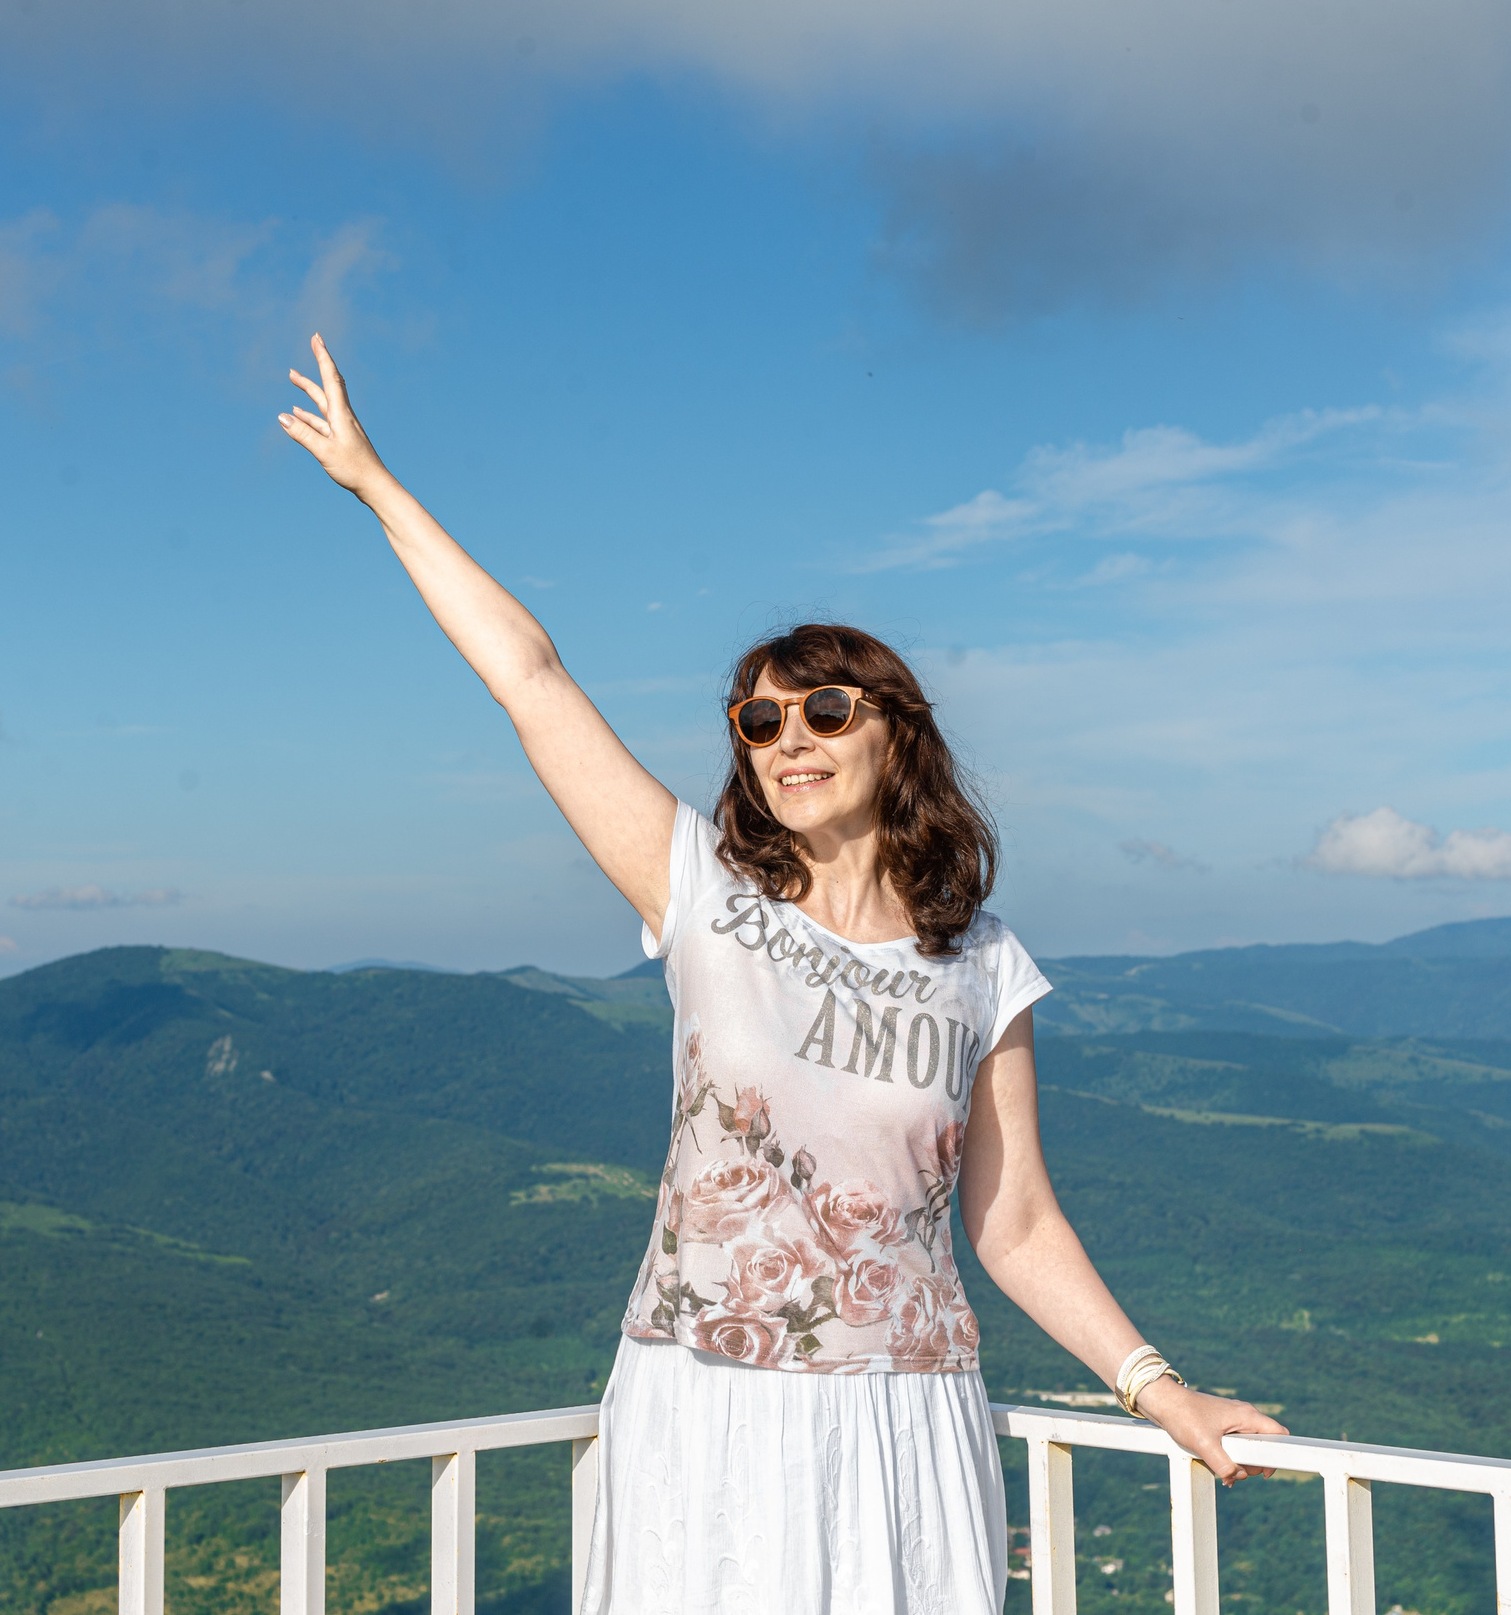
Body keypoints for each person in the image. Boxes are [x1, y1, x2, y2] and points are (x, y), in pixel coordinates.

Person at [277, 335, 1288, 1614]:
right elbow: (531, 678)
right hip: (705, 1407)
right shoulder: (702, 897)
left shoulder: (981, 963)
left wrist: (1159, 1385)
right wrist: (376, 484)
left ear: (894, 731)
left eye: (822, 712)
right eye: (758, 720)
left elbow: (1013, 1220)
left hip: (904, 1421)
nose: (785, 739)